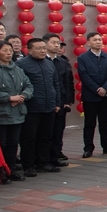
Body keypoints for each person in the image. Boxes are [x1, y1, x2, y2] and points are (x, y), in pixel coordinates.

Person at [16, 38, 62, 176]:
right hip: (32, 107)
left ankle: (43, 162)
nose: (42, 51)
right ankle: (28, 165)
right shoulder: (21, 64)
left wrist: (57, 102)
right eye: (38, 48)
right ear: (29, 50)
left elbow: (55, 84)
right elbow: (20, 86)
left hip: (49, 106)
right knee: (29, 138)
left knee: (46, 136)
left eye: (43, 48)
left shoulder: (49, 63)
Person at [0, 41, 32, 183]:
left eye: (10, 50)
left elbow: (29, 86)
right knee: (1, 144)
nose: (8, 53)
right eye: (5, 50)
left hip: (17, 113)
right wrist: (9, 98)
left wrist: (22, 97)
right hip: (1, 114)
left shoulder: (17, 69)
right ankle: (0, 171)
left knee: (13, 143)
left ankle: (11, 169)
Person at [78, 32, 107, 157]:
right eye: (95, 40)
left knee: (105, 122)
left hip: (106, 95)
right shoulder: (83, 58)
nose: (98, 42)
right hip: (91, 96)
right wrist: (97, 89)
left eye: (100, 40)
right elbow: (84, 76)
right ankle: (88, 148)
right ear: (88, 42)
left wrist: (105, 88)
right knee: (90, 123)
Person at [44, 33, 73, 165]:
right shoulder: (41, 61)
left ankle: (55, 157)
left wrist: (67, 100)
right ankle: (44, 159)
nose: (57, 45)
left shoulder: (62, 62)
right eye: (53, 43)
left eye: (58, 43)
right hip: (45, 102)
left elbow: (67, 82)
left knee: (58, 131)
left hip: (60, 101)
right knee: (46, 133)